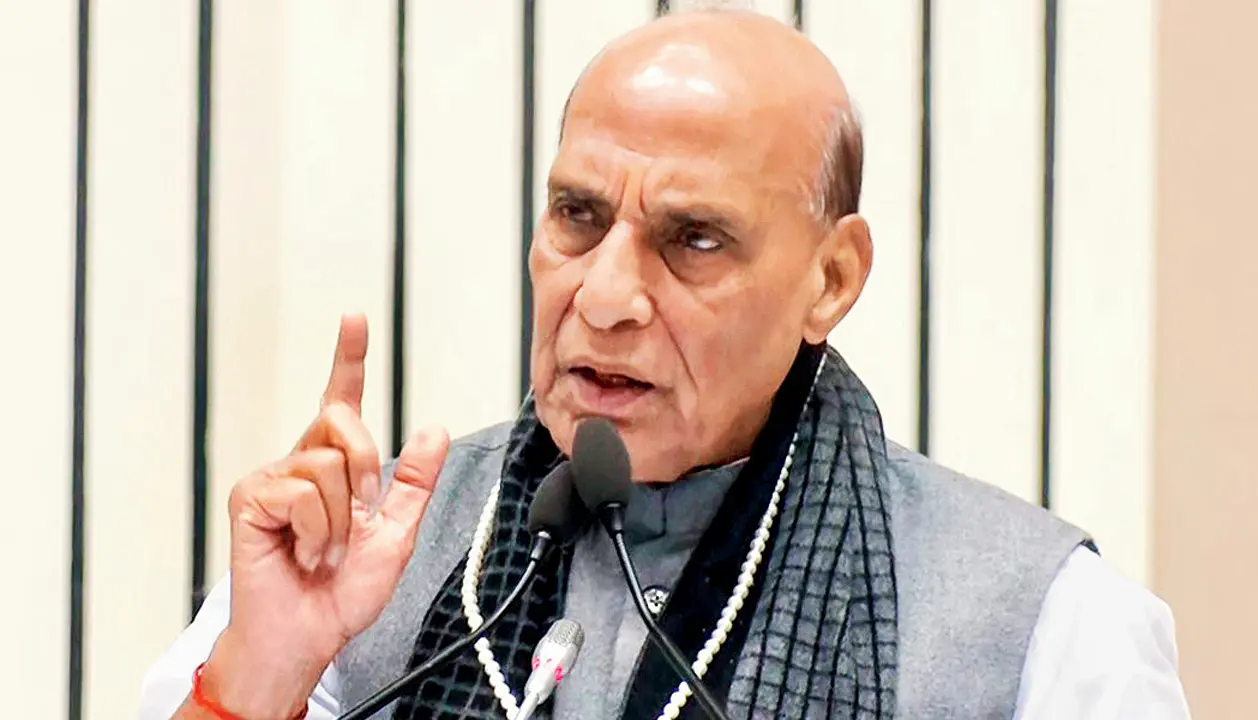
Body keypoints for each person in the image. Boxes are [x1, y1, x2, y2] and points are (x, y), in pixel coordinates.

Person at [140, 7, 1191, 720]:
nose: (604, 296)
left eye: (693, 239)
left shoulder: (1042, 627)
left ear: (830, 280)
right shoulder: (361, 558)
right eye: (577, 215)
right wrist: (262, 677)